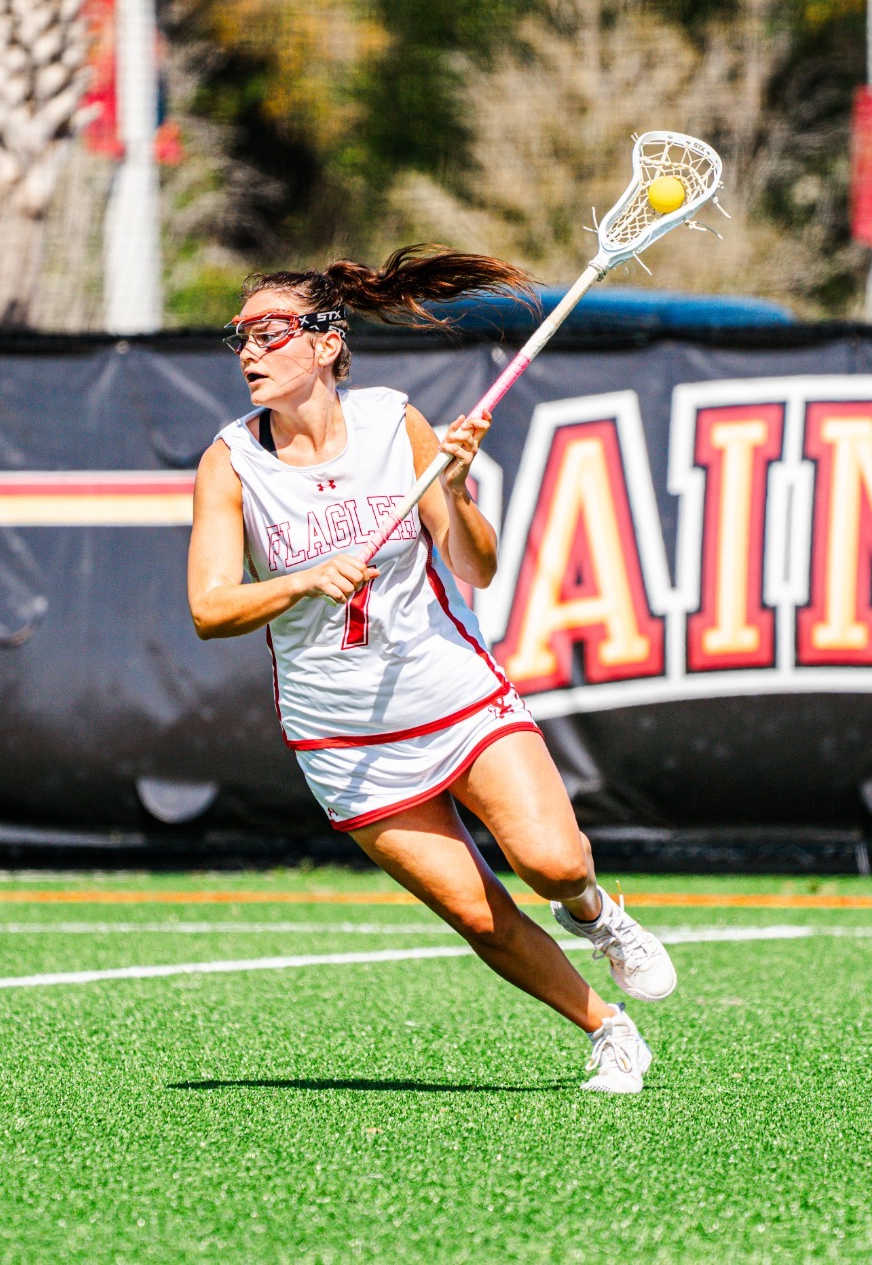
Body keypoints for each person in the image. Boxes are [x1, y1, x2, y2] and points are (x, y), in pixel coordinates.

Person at [186, 247, 677, 1094]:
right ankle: (608, 1027)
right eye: (241, 337)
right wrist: (304, 576)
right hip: (342, 736)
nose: (249, 353)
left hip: (454, 692)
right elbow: (208, 608)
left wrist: (454, 486)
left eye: (269, 334)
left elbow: (477, 566)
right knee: (475, 911)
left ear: (327, 343)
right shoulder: (231, 461)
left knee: (554, 864)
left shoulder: (393, 422)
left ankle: (596, 912)